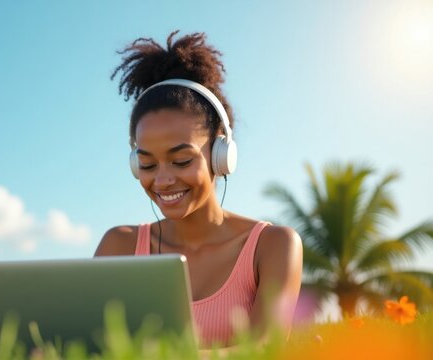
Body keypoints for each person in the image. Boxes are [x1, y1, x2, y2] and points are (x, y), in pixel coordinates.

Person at [94, 30, 303, 349]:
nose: (162, 181)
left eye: (181, 160)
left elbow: (264, 351)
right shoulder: (119, 247)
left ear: (222, 156)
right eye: (148, 165)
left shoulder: (272, 247)